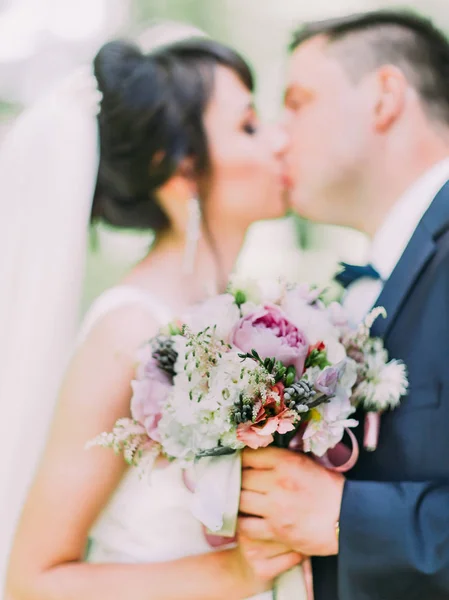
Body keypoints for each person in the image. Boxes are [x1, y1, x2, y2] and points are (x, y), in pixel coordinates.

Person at [3, 22, 300, 600]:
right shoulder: (130, 330)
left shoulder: (237, 315)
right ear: (179, 167)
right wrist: (236, 574)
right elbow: (32, 579)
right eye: (248, 125)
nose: (280, 140)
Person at [238, 9, 449, 600]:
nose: (278, 135)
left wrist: (348, 518)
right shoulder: (367, 283)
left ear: (385, 97)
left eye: (298, 101)